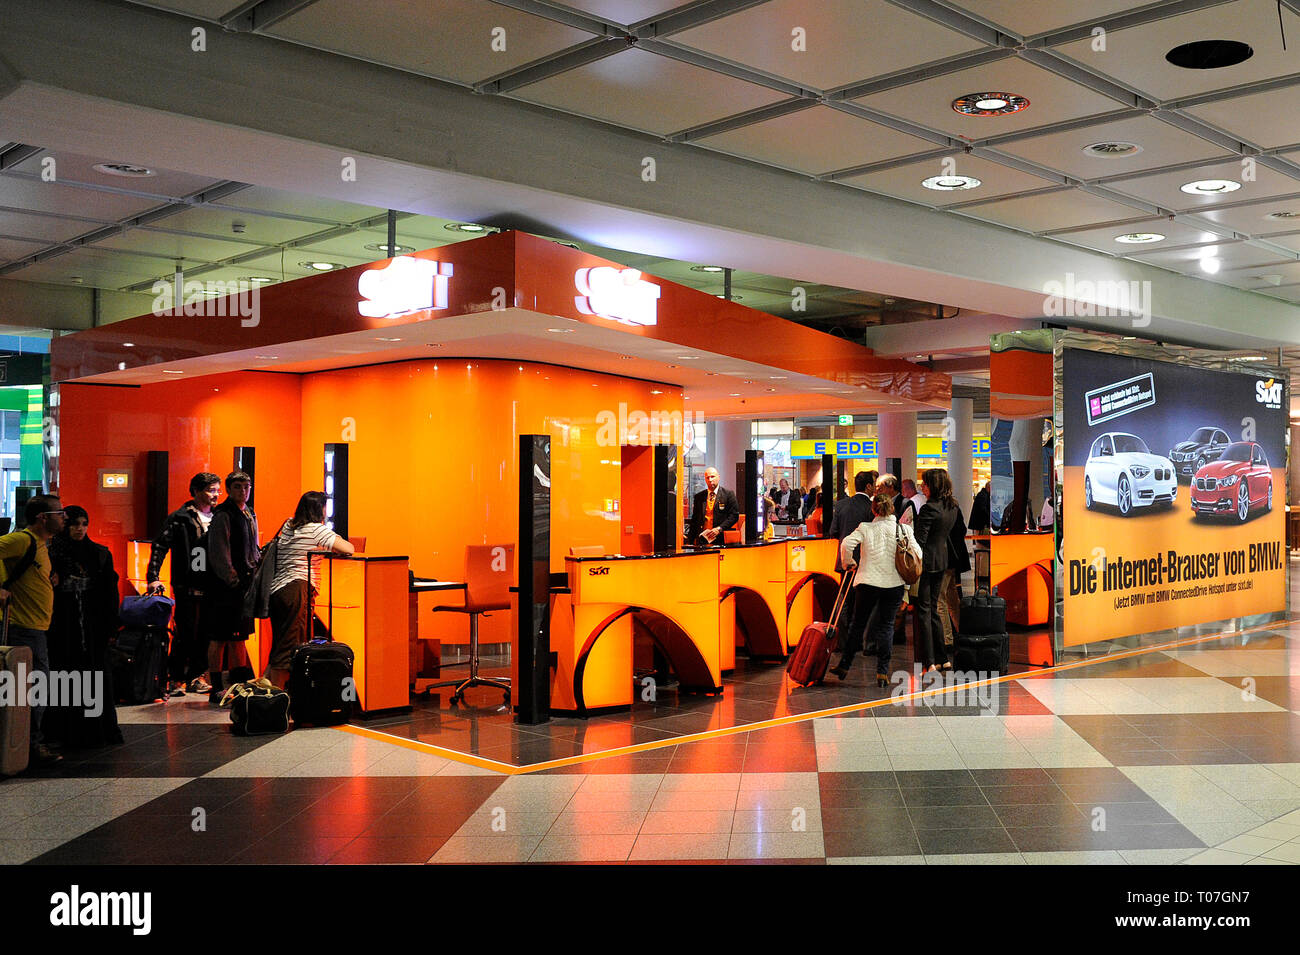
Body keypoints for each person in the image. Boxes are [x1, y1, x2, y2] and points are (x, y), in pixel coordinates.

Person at [46, 505, 123, 748]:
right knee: (65, 675)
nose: (79, 529)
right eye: (74, 524)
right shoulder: (51, 554)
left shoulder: (99, 554)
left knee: (93, 676)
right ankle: (67, 731)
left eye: (83, 524)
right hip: (63, 626)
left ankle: (93, 730)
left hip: (91, 626)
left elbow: (110, 593)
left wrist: (111, 627)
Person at [0, 495, 66, 766]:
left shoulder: (40, 545)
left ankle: (25, 745)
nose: (64, 518)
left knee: (30, 690)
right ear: (43, 518)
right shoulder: (22, 540)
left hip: (35, 628)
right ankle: (29, 747)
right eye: (60, 513)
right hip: (23, 629)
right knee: (32, 690)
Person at [263, 491, 354, 688]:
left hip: (278, 590)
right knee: (288, 647)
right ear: (318, 509)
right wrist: (331, 536)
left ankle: (266, 692)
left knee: (280, 642)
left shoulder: (288, 525)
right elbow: (349, 548)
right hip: (297, 588)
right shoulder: (316, 530)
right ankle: (276, 701)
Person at [829, 493, 921, 687]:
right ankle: (882, 673)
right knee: (886, 627)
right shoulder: (903, 529)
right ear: (892, 510)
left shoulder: (865, 528)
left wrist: (849, 563)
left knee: (858, 625)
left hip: (867, 582)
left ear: (873, 510)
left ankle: (844, 665)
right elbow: (918, 553)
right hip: (893, 584)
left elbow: (846, 543)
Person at [147, 471, 220, 696]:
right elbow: (160, 546)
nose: (216, 495)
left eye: (218, 490)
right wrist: (153, 576)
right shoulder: (180, 518)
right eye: (211, 490)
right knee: (185, 631)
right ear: (196, 492)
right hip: (187, 583)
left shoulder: (220, 516)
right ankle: (177, 677)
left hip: (214, 585)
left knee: (207, 633)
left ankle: (196, 676)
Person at [203, 471, 258, 701]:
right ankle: (216, 686)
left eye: (246, 486)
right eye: (238, 487)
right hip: (225, 587)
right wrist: (232, 578)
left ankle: (238, 684)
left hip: (245, 583)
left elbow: (253, 547)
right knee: (220, 637)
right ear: (229, 489)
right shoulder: (223, 514)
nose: (243, 491)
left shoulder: (249, 512)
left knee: (239, 637)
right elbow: (219, 553)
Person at [913, 469, 963, 672]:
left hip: (926, 563)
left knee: (924, 611)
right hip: (942, 560)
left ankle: (929, 661)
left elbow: (920, 540)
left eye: (924, 484)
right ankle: (943, 658)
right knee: (933, 609)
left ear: (933, 485)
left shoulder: (929, 509)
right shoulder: (951, 506)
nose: (922, 487)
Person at [686, 467, 739, 546]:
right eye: (707, 477)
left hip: (720, 538)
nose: (710, 480)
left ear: (718, 477)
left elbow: (734, 516)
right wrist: (690, 541)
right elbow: (695, 519)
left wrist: (719, 528)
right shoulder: (699, 497)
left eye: (712, 476)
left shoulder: (728, 495)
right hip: (702, 539)